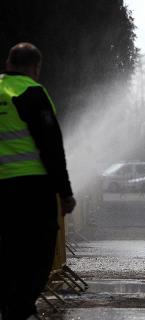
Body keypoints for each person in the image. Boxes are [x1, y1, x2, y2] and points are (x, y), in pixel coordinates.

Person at [0, 43, 76, 320]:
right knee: (40, 251)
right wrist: (65, 193)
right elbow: (51, 147)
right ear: (36, 68)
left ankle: (9, 302)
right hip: (30, 188)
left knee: (7, 249)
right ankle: (18, 308)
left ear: (9, 62)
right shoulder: (31, 92)